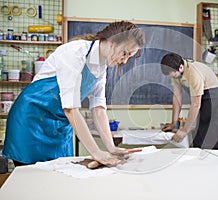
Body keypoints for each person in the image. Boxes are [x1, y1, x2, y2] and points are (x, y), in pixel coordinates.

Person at [3, 21, 145, 166]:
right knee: (31, 177)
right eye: (125, 53)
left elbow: (98, 109)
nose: (124, 60)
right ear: (112, 41)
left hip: (59, 125)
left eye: (130, 57)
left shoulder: (102, 67)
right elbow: (70, 108)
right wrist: (96, 153)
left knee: (59, 175)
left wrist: (111, 148)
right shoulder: (75, 52)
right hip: (31, 119)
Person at [160, 52, 218, 150]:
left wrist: (184, 131)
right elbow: (177, 97)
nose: (172, 78)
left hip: (217, 103)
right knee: (200, 141)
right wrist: (173, 123)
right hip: (204, 103)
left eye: (172, 75)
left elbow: (195, 105)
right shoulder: (176, 72)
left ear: (181, 67)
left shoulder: (194, 73)